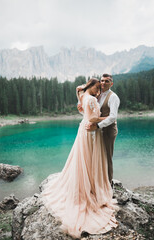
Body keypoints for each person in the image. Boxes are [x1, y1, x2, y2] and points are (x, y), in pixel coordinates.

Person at [40, 78, 118, 239]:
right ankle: (88, 188)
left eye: (99, 87)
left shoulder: (84, 96)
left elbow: (79, 92)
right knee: (88, 159)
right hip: (90, 131)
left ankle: (90, 184)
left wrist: (82, 90)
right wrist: (108, 118)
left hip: (86, 129)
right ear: (92, 86)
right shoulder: (90, 99)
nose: (98, 90)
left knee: (85, 158)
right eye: (97, 87)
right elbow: (93, 119)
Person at [84, 74, 120, 185]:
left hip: (108, 131)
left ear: (111, 84)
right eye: (102, 81)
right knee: (98, 156)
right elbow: (81, 89)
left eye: (107, 81)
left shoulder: (113, 97)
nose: (103, 83)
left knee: (107, 157)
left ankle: (109, 185)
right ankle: (98, 182)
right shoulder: (98, 95)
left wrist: (98, 126)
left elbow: (113, 116)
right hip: (98, 131)